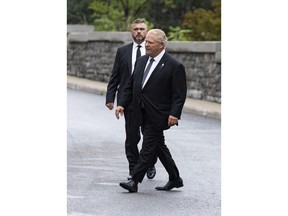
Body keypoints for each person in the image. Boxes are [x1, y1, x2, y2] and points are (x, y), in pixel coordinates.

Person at [115, 29, 187, 193]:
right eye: (146, 41)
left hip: (159, 114)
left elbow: (179, 94)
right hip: (140, 113)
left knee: (147, 147)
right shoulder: (141, 61)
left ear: (161, 45)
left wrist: (175, 114)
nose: (146, 44)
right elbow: (131, 86)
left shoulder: (174, 66)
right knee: (158, 146)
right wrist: (122, 103)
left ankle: (134, 180)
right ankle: (175, 178)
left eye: (150, 42)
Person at [105, 18, 156, 180]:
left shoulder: (153, 51)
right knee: (132, 136)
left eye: (142, 29)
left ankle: (149, 163)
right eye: (136, 29)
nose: (139, 32)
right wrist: (110, 97)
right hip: (129, 100)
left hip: (150, 101)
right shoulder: (123, 51)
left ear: (147, 31)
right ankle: (133, 168)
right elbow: (115, 76)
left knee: (150, 136)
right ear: (131, 32)